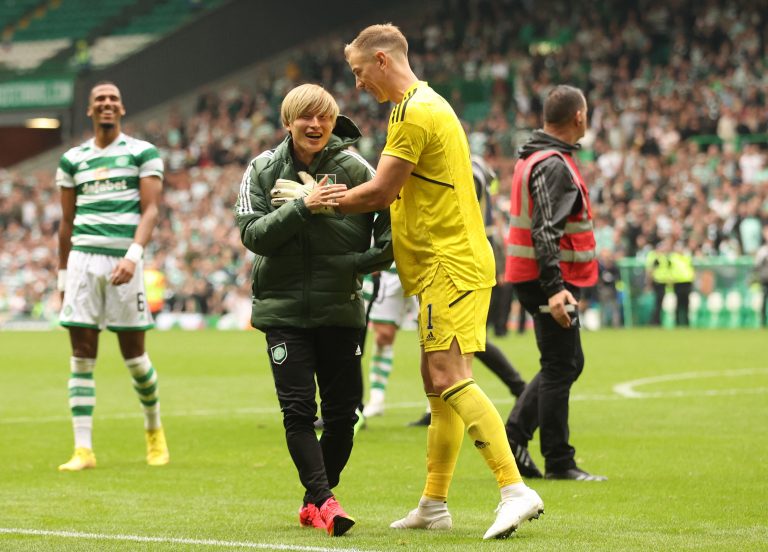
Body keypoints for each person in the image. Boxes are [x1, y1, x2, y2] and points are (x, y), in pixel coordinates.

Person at [292, 23, 543, 540]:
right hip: (449, 262)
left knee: (449, 375)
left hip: (448, 264)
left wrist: (317, 201)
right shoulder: (429, 104)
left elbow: (382, 191)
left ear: (382, 61)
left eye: (360, 73)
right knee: (437, 380)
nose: (358, 85)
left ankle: (514, 489)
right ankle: (434, 502)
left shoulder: (411, 111)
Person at [234, 83, 392, 537]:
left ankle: (312, 501)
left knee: (345, 415)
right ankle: (326, 501)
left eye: (324, 117)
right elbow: (252, 234)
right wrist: (303, 208)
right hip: (282, 312)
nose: (316, 124)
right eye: (306, 116)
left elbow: (392, 227)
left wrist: (354, 266)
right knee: (299, 411)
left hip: (341, 308)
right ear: (289, 121)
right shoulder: (261, 169)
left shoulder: (356, 167)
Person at [56, 81, 168, 471]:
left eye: (113, 100)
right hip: (83, 263)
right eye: (100, 100)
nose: (107, 104)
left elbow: (150, 210)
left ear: (121, 109)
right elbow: (67, 222)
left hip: (124, 260)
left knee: (134, 357)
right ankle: (83, 449)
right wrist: (61, 277)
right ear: (90, 110)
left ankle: (154, 430)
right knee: (81, 356)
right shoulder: (73, 159)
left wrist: (133, 257)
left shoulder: (142, 152)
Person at [503, 84, 606, 481]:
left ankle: (515, 439)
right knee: (562, 364)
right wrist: (555, 287)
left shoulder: (535, 157)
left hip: (538, 276)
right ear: (579, 116)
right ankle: (556, 460)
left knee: (563, 362)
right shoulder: (553, 164)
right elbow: (546, 231)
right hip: (547, 279)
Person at [408, 155, 527, 427]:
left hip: (460, 257)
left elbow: (457, 212)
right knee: (453, 339)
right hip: (468, 252)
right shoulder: (476, 167)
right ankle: (514, 388)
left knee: (462, 338)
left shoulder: (465, 169)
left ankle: (517, 388)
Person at [668, 242, 695, 327]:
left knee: (686, 304)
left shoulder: (687, 257)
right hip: (677, 283)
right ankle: (677, 323)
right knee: (678, 304)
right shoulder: (672, 258)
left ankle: (686, 323)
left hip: (687, 282)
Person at [753, 226, 768, 327]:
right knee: (764, 299)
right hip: (765, 278)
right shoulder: (762, 250)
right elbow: (757, 265)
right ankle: (762, 320)